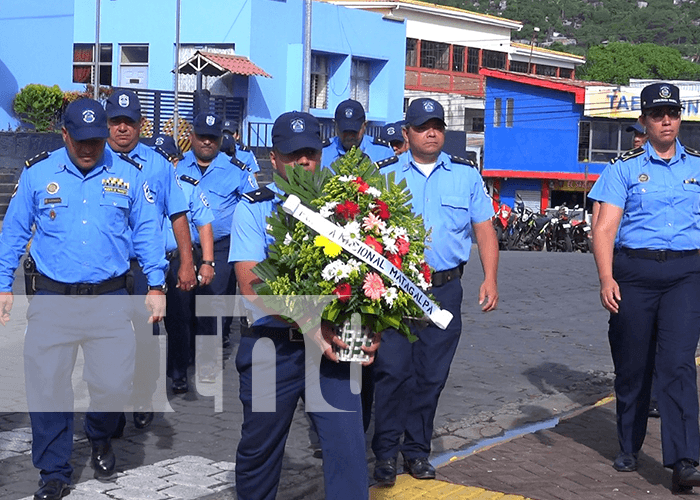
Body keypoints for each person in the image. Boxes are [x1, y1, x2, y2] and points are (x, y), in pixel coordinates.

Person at [0, 98, 168, 500]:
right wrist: (3, 285)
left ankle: (100, 432)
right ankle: (53, 471)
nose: (90, 149)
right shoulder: (39, 175)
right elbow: (13, 232)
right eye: (81, 141)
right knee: (47, 388)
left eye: (96, 140)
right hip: (53, 299)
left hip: (110, 299)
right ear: (64, 136)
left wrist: (158, 286)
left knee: (113, 384)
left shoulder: (127, 175)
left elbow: (147, 230)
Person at [230, 110, 380, 500]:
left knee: (348, 452)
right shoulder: (254, 207)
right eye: (293, 153)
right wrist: (309, 322)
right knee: (259, 452)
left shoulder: (347, 210)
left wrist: (369, 327)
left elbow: (367, 280)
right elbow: (251, 284)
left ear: (321, 154)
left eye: (310, 152)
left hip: (331, 351)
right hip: (271, 347)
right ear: (274, 158)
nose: (303, 161)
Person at [372, 98, 499, 486]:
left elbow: (484, 230)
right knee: (392, 372)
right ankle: (385, 453)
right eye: (423, 126)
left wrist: (490, 277)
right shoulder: (384, 175)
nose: (432, 132)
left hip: (445, 291)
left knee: (431, 376)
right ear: (406, 133)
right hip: (396, 291)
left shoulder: (465, 176)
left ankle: (417, 452)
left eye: (438, 126)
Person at [590, 82, 700, 494]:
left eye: (672, 113)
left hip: (686, 274)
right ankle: (629, 445)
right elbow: (604, 229)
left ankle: (684, 460)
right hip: (634, 273)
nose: (666, 120)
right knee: (633, 368)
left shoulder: (697, 168)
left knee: (678, 365)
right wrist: (606, 278)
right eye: (657, 114)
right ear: (644, 121)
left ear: (680, 118)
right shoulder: (622, 168)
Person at [105, 89, 194, 431]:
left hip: (146, 269)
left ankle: (143, 395)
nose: (123, 129)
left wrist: (186, 261)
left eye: (130, 122)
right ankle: (110, 412)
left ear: (142, 124)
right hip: (108, 269)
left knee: (145, 338)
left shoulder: (158, 164)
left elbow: (177, 214)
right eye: (116, 121)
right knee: (108, 341)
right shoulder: (95, 159)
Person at [177, 112, 259, 379]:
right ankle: (185, 354)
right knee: (183, 304)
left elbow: (253, 206)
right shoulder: (177, 168)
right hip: (184, 246)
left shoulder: (236, 170)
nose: (207, 143)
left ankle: (208, 361)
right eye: (202, 137)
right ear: (193, 137)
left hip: (221, 247)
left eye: (213, 138)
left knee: (212, 303)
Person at [149, 133, 216, 393]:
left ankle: (178, 373)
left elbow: (204, 223)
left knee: (179, 319)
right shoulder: (140, 183)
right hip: (148, 263)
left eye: (166, 158)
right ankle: (147, 375)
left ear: (176, 160)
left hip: (178, 260)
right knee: (147, 322)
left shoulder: (188, 186)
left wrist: (207, 262)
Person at [321, 99, 393, 169]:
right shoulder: (322, 152)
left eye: (354, 131)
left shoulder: (383, 152)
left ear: (364, 126)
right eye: (345, 131)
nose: (349, 136)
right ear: (336, 127)